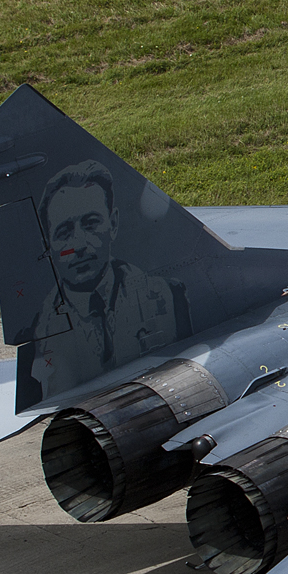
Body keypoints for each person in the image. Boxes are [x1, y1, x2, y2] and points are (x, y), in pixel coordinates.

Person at [24, 160, 192, 398]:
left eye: (91, 224)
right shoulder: (40, 330)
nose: (80, 244)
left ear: (113, 224)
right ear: (47, 246)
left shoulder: (166, 295)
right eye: (64, 232)